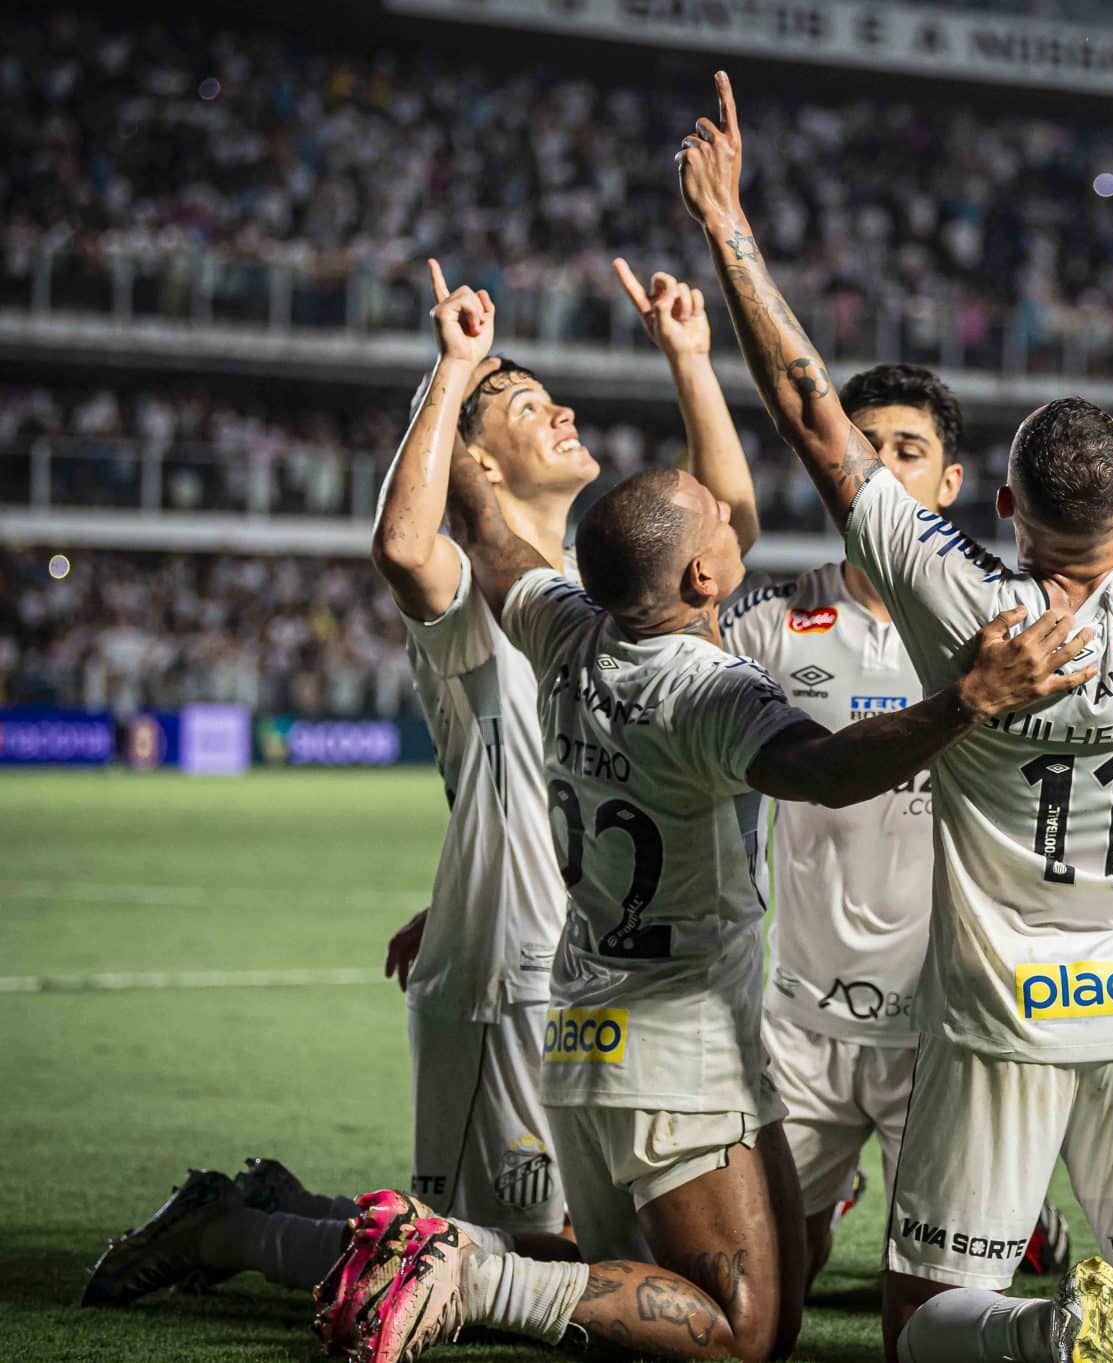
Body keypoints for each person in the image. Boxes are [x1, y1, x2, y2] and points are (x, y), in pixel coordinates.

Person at [681, 35, 1113, 1363]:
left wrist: (728, 227)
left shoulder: (961, 605)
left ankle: (1042, 1339)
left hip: (994, 1022)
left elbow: (811, 414)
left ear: (999, 503)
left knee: (920, 1322)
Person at [319, 441, 1097, 1363]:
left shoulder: (565, 629)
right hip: (673, 1048)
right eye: (720, 520)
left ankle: (463, 1257)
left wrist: (453, 403)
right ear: (700, 575)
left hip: (589, 1033)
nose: (734, 517)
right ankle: (464, 1271)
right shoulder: (707, 690)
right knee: (738, 1332)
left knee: (737, 1313)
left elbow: (490, 536)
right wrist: (971, 699)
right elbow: (826, 770)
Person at [79, 259, 681, 1304]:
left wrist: (455, 888)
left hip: (571, 964)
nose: (563, 413)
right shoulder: (467, 588)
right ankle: (233, 1231)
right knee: (515, 1257)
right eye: (529, 409)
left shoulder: (581, 597)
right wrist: (452, 371)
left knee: (553, 1245)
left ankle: (276, 1203)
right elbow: (401, 543)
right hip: (505, 974)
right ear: (480, 465)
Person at [718, 361, 1069, 1286]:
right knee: (764, 1286)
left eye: (906, 450)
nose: (878, 465)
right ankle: (830, 1193)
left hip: (945, 1024)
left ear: (950, 482)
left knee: (939, 1294)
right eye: (862, 446)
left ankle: (1023, 1206)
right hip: (801, 1020)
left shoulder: (1007, 622)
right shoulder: (771, 620)